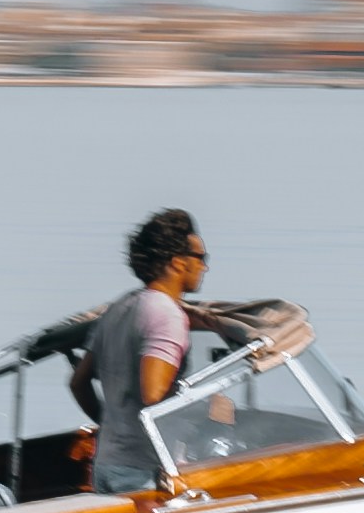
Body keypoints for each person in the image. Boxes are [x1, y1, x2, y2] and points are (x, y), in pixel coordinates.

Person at [77, 209, 314, 493]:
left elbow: (78, 382)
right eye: (201, 258)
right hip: (143, 474)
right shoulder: (167, 315)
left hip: (107, 466)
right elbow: (152, 394)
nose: (205, 267)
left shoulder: (119, 308)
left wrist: (115, 425)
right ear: (178, 263)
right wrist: (208, 407)